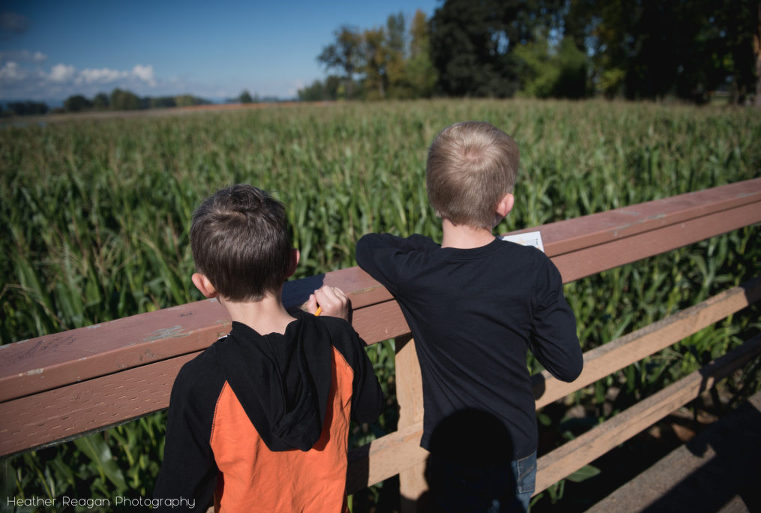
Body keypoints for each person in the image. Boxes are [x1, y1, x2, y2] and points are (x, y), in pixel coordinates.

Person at [356, 121, 582, 511]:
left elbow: (369, 246)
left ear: (435, 200)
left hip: (452, 455)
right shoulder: (531, 267)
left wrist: (425, 248)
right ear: (505, 204)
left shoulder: (418, 272)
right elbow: (567, 364)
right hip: (515, 448)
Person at [154, 184, 384, 513]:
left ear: (204, 284)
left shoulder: (202, 380)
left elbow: (175, 501)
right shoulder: (338, 340)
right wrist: (339, 328)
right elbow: (368, 409)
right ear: (292, 263)